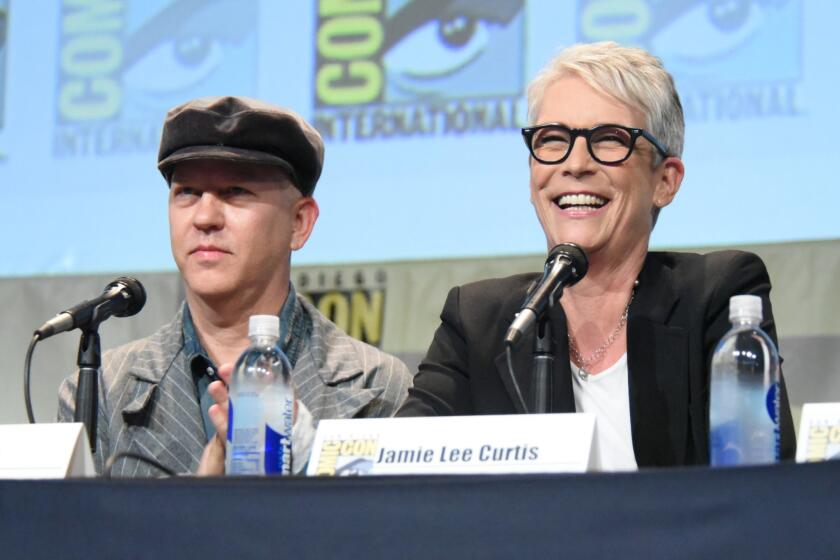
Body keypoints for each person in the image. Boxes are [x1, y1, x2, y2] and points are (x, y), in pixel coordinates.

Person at [397, 42, 795, 469]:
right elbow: (398, 469)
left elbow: (758, 483)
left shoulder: (716, 294)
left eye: (609, 140)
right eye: (553, 140)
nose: (576, 163)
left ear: (665, 180)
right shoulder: (479, 322)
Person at [58, 96, 412, 476]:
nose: (205, 217)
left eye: (236, 192)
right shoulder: (100, 392)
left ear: (299, 223)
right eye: (187, 193)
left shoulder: (377, 387)